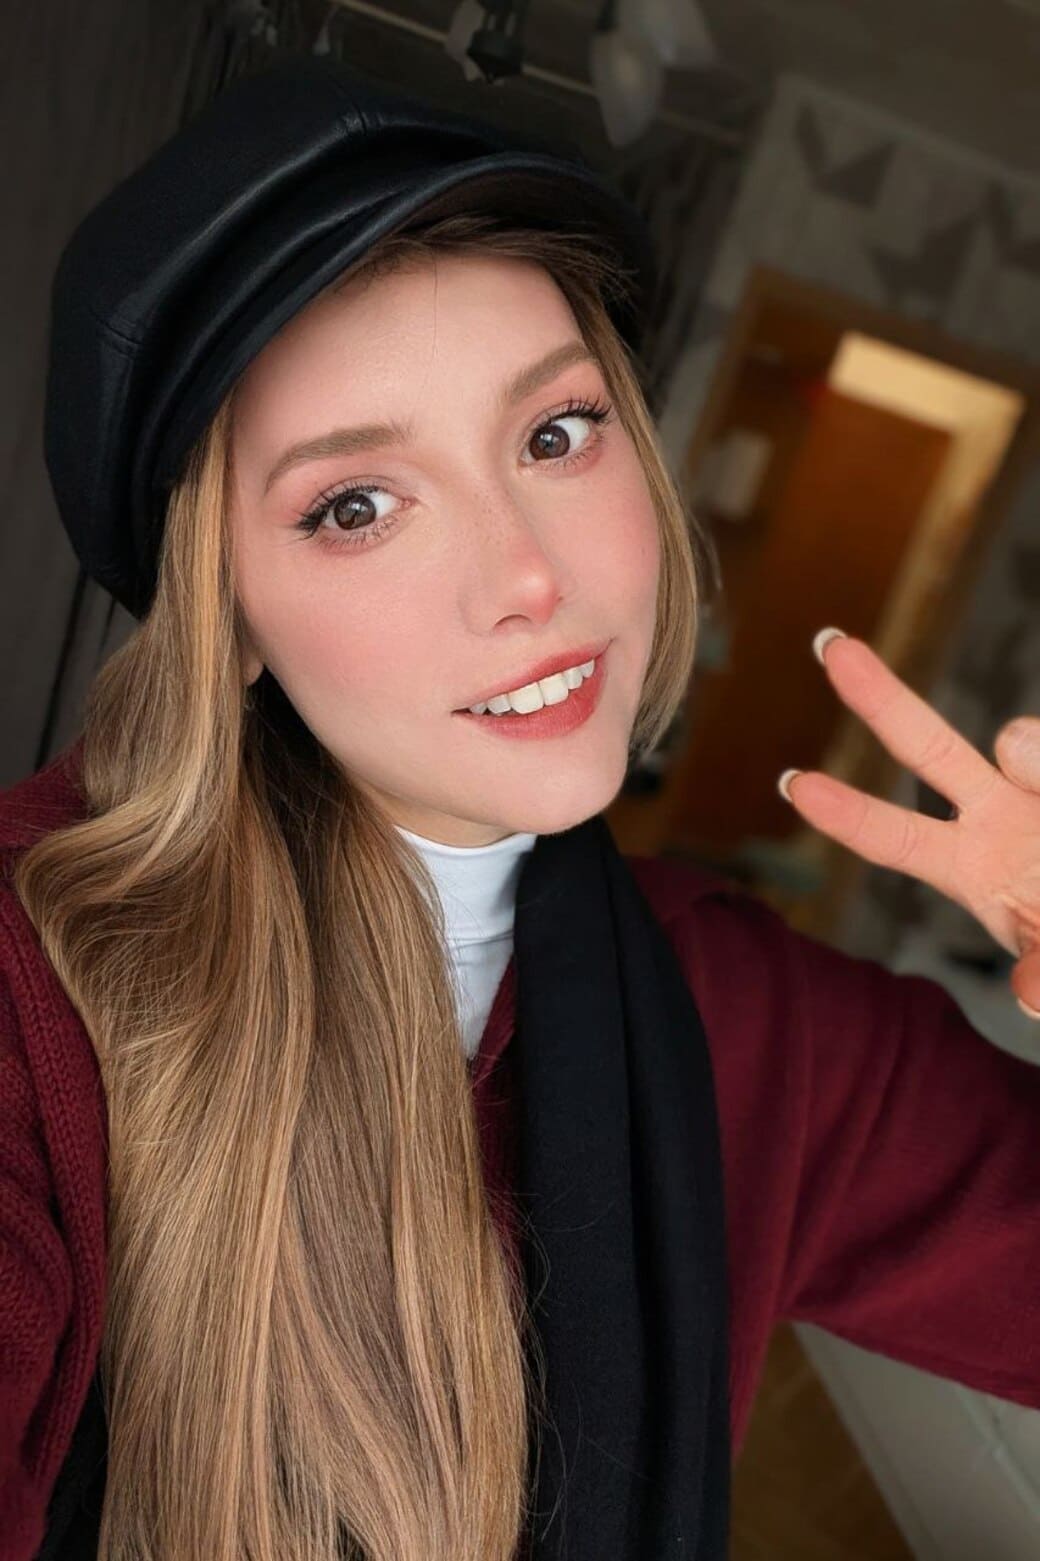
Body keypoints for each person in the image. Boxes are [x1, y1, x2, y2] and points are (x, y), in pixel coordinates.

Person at [2, 53, 1039, 1561]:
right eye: (356, 505)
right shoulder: (36, 983)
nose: (529, 577)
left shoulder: (752, 1025)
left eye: (554, 434)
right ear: (226, 612)